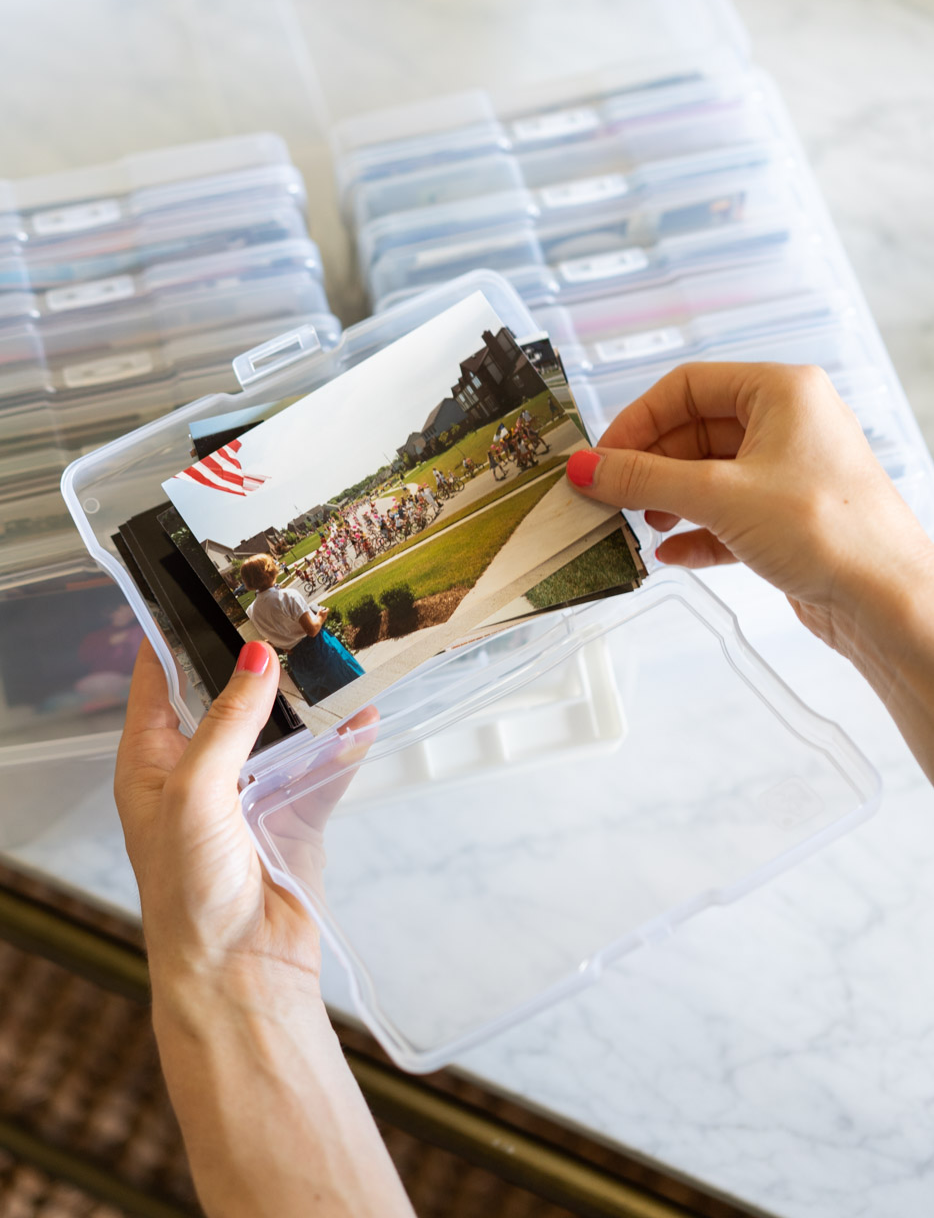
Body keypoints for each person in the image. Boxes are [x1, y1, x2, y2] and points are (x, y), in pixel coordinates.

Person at [117, 361, 934, 1217]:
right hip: (325, 665)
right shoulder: (285, 591)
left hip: (285, 810)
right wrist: (878, 592)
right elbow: (315, 623)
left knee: (337, 703)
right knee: (342, 675)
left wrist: (228, 971)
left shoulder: (254, 611)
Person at [240, 553, 363, 706]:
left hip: (296, 661)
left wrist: (283, 643)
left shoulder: (251, 612)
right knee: (355, 688)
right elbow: (312, 630)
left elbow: (270, 636)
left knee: (329, 705)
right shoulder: (288, 596)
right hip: (319, 649)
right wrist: (321, 616)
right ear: (270, 570)